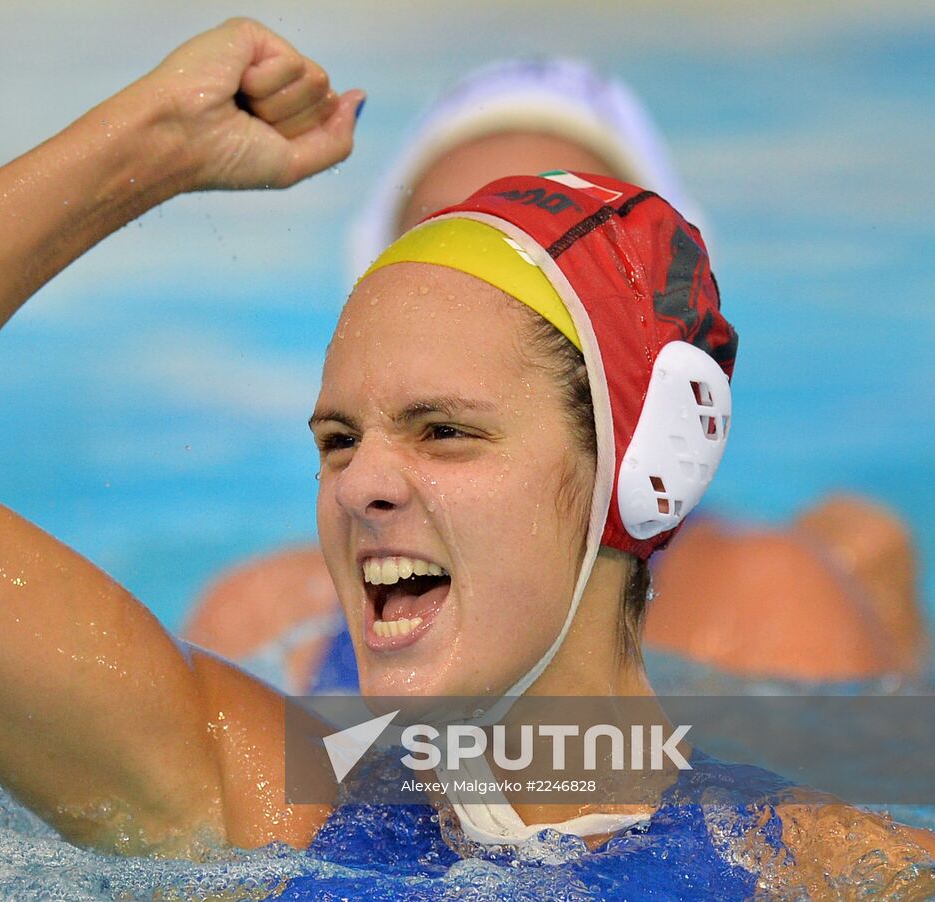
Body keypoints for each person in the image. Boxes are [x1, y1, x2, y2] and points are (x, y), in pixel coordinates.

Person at [0, 19, 934, 892]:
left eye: (444, 431)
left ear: (640, 465)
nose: (362, 483)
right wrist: (142, 154)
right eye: (336, 438)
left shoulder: (826, 872)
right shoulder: (258, 804)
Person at [184, 57, 927, 693]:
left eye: (553, 246)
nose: (486, 284)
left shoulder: (770, 600)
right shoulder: (272, 628)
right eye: (452, 236)